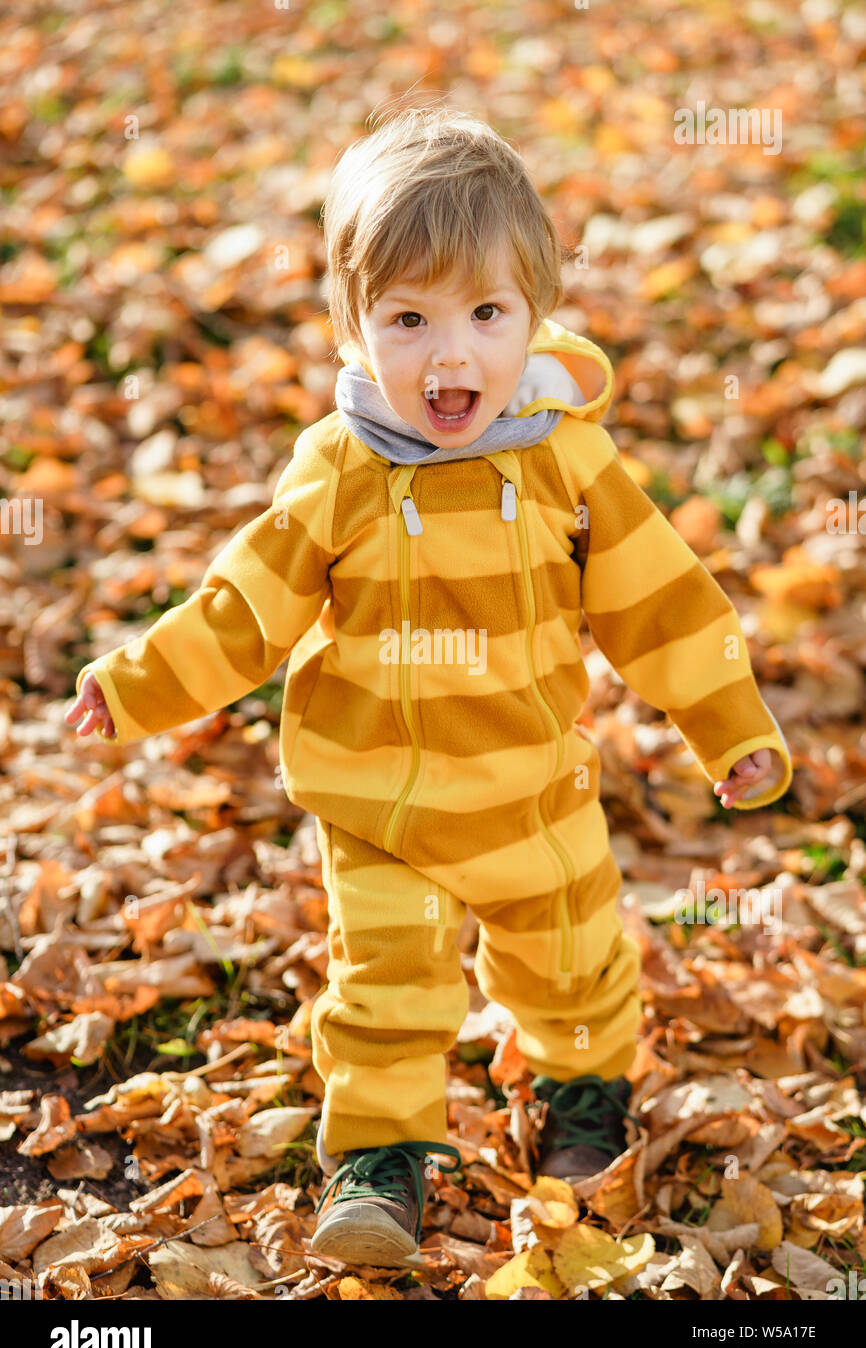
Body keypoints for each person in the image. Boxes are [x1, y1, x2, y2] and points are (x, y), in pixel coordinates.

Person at [66, 105, 793, 1269]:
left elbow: (664, 603)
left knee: (568, 959)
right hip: (380, 809)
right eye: (408, 320)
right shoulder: (340, 473)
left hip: (528, 791)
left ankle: (580, 1105)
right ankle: (379, 1162)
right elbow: (242, 604)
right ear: (353, 330)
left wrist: (727, 724)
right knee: (386, 985)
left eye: (484, 315)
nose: (449, 357)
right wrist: (139, 685)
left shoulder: (564, 459)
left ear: (533, 316)